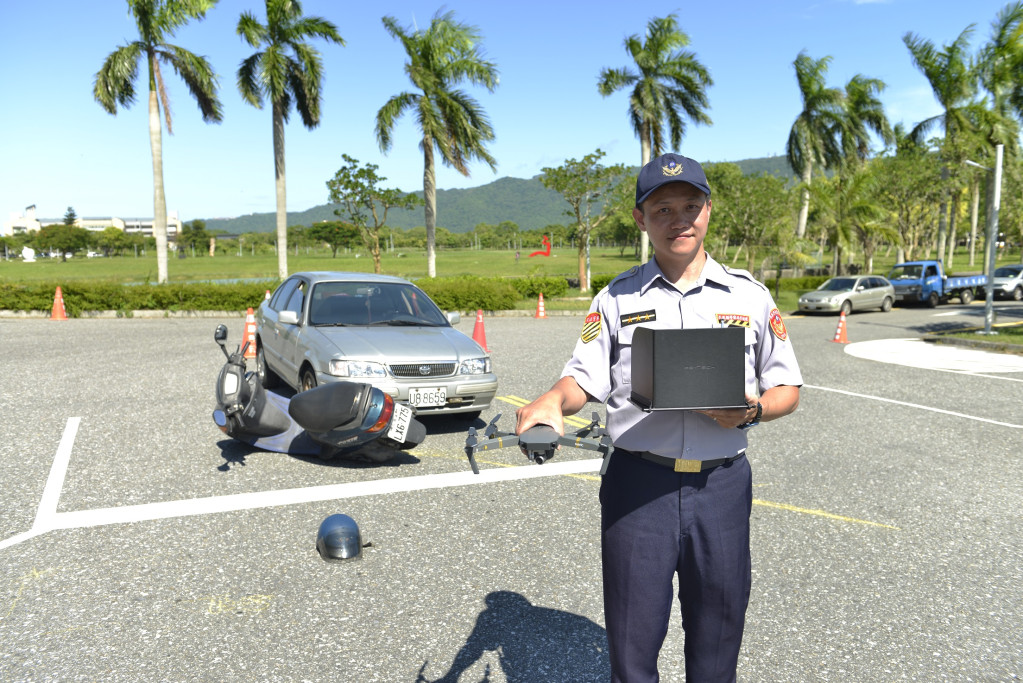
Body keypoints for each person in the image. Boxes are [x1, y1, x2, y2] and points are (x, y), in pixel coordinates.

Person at [515, 152, 802, 683]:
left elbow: (787, 387)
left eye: (691, 205)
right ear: (640, 218)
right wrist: (552, 400)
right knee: (631, 642)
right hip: (637, 486)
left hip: (721, 486)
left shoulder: (751, 296)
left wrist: (753, 409)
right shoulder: (616, 299)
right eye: (663, 208)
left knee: (718, 636)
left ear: (709, 211)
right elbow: (582, 378)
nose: (680, 219)